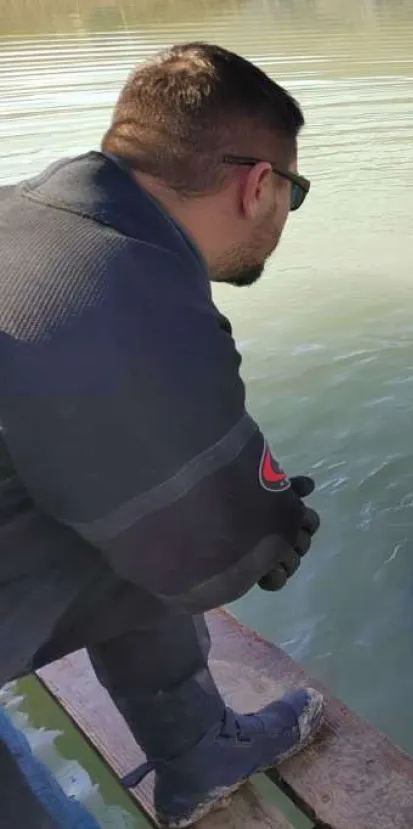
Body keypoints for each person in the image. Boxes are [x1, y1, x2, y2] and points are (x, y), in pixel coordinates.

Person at [0, 43, 324, 829]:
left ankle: (198, 753)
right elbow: (217, 549)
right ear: (259, 186)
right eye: (295, 191)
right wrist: (277, 523)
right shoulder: (127, 295)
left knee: (129, 544)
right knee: (164, 537)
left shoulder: (25, 214)